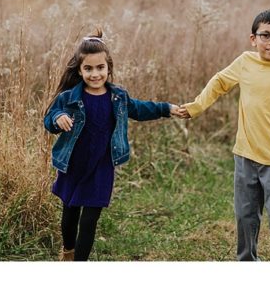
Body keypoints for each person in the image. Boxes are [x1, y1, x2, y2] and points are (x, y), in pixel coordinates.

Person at [177, 9, 270, 261]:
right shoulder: (245, 62)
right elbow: (219, 82)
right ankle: (246, 261)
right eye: (265, 35)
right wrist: (197, 106)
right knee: (245, 215)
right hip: (244, 155)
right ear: (253, 39)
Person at [43, 29, 184, 261]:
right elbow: (49, 120)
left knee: (89, 219)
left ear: (108, 68)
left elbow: (140, 109)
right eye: (88, 68)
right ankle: (68, 251)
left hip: (101, 166)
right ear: (79, 70)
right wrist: (57, 119)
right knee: (70, 212)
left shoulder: (117, 97)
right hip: (74, 165)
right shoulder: (68, 98)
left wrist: (166, 108)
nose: (95, 74)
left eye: (100, 68)